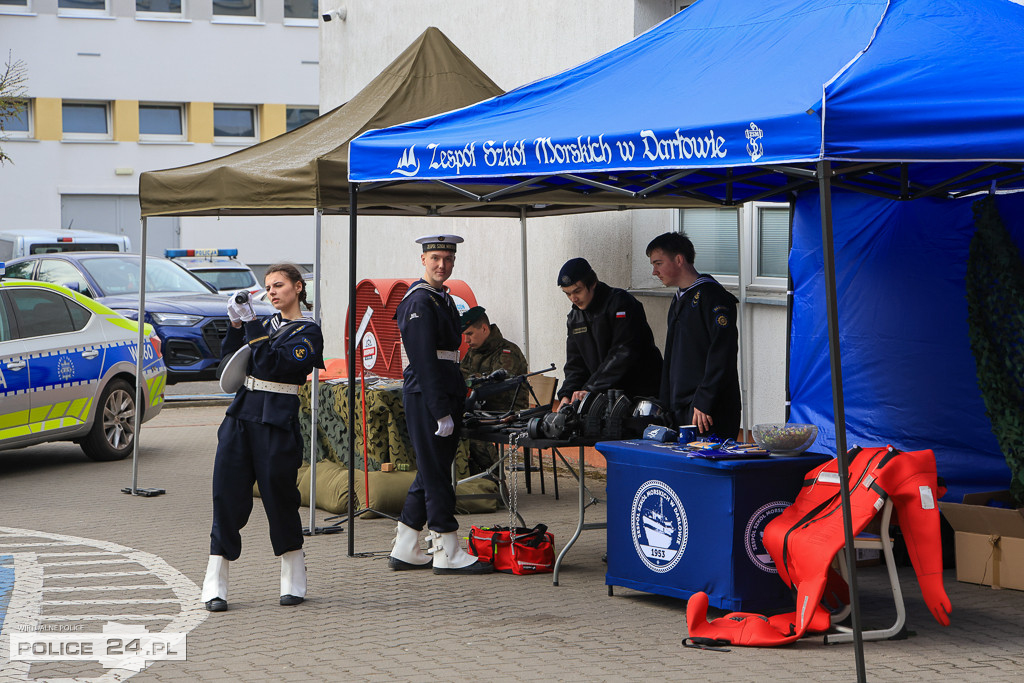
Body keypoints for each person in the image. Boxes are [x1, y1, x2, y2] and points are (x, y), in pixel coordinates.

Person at [201, 263, 324, 612]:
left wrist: (252, 324)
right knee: (226, 494)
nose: (272, 292)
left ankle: (293, 572)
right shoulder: (266, 325)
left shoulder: (309, 332)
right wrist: (236, 325)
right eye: (268, 286)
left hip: (277, 420)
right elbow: (227, 364)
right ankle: (215, 579)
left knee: (279, 495)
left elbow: (271, 365)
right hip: (242, 415)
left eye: (279, 285)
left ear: (298, 288)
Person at [388, 234, 492, 575]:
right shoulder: (419, 301)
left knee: (431, 470)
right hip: (427, 394)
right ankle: (447, 549)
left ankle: (405, 546)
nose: (442, 265)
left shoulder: (441, 299)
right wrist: (439, 409)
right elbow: (423, 361)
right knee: (437, 476)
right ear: (423, 260)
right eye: (435, 258)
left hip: (442, 391)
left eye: (448, 259)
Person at [647, 232, 740, 440]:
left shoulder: (713, 297)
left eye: (658, 263)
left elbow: (722, 353)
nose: (654, 272)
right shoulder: (680, 297)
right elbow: (672, 356)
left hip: (705, 410)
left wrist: (705, 400)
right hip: (680, 406)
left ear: (679, 259)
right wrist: (665, 403)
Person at [555, 257, 662, 409]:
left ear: (592, 283)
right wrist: (567, 394)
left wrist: (589, 390)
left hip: (642, 395)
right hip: (605, 399)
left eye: (577, 291)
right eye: (567, 294)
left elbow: (623, 352)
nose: (573, 299)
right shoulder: (575, 317)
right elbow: (575, 365)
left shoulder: (621, 303)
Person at [460, 306, 529, 473]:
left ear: (484, 329)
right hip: (483, 410)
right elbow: (460, 376)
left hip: (507, 411)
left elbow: (499, 385)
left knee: (473, 436)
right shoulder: (473, 352)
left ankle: (495, 479)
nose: (466, 340)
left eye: (469, 334)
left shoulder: (507, 352)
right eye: (464, 335)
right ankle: (470, 478)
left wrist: (472, 383)